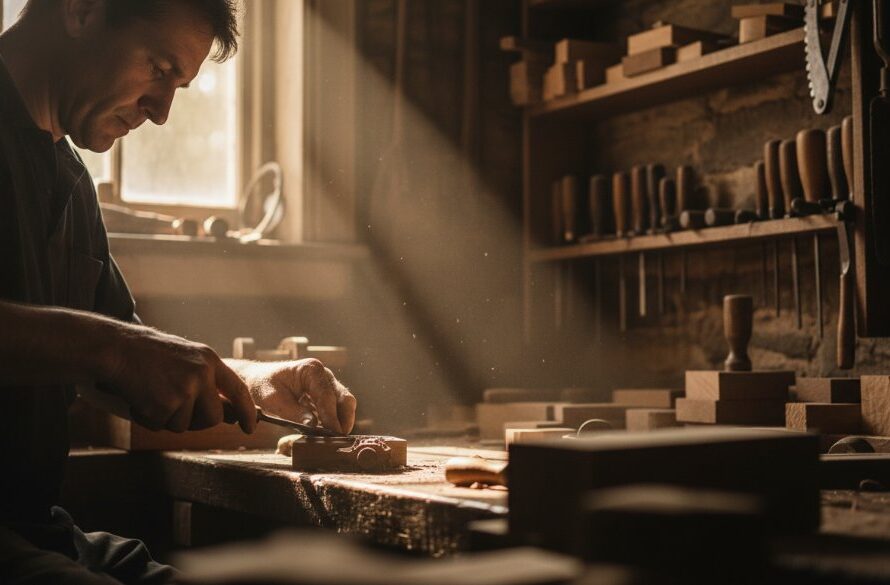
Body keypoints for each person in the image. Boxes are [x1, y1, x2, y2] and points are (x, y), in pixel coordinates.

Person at [0, 0, 357, 583]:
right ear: (81, 11)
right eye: (160, 68)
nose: (162, 113)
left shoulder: (68, 180)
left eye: (179, 86)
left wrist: (258, 385)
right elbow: (114, 350)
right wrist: (113, 348)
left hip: (40, 530)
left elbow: (125, 363)